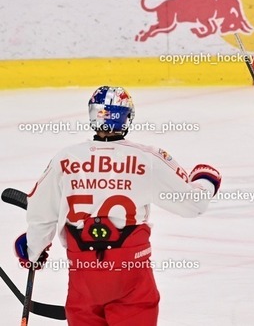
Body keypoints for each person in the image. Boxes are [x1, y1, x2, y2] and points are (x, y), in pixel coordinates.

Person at [14, 86, 222, 325]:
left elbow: (41, 214)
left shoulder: (66, 158)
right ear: (127, 117)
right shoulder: (147, 159)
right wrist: (206, 180)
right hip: (131, 276)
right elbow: (193, 206)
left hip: (83, 276)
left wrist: (32, 249)